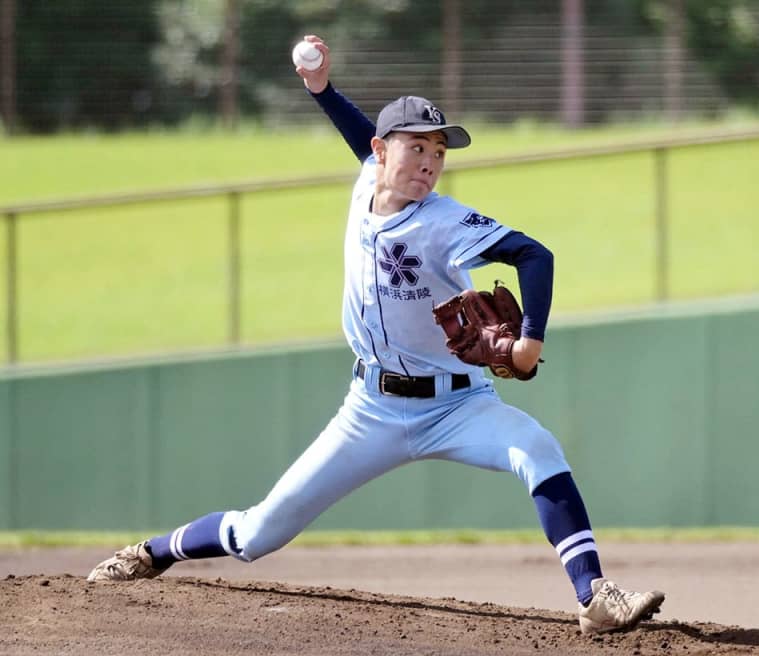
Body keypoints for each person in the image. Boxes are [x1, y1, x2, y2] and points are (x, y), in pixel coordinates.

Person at [88, 35, 664, 635]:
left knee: (537, 447)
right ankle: (151, 553)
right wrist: (320, 89)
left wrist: (530, 343)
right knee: (258, 533)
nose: (429, 163)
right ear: (381, 153)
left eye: (438, 152)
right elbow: (356, 131)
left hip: (459, 402)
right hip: (371, 410)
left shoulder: (444, 220)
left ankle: (595, 595)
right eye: (416, 148)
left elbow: (533, 255)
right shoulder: (368, 179)